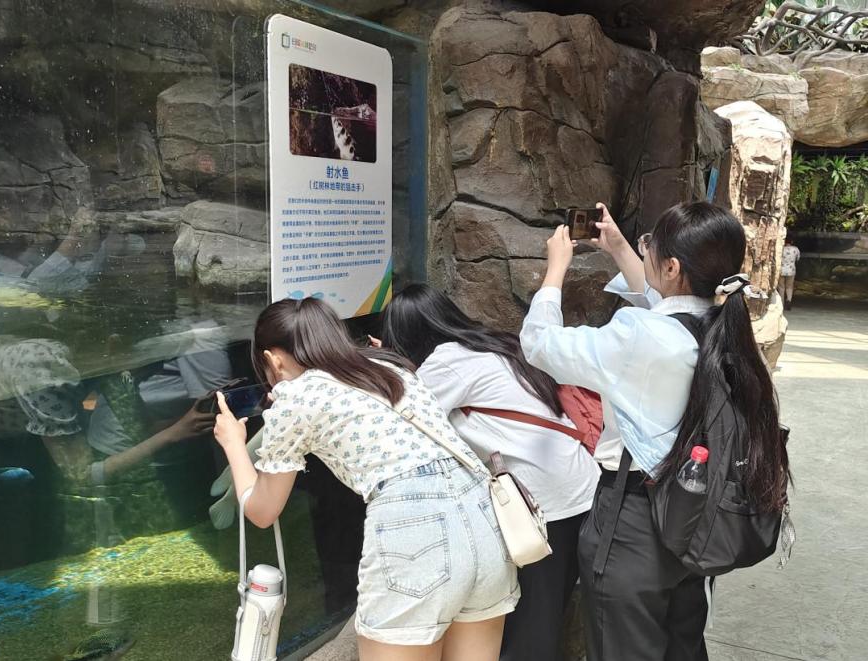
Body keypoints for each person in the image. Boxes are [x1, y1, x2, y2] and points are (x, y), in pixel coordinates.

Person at [520, 202, 789, 661]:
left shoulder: (640, 336)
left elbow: (538, 344)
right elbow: (666, 308)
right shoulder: (725, 328)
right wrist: (621, 248)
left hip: (635, 523)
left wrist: (555, 271)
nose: (643, 250)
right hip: (693, 521)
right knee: (682, 646)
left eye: (650, 246)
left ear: (672, 266)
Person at [213, 298, 518, 661]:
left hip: (414, 529)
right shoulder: (389, 368)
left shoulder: (295, 396)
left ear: (273, 360)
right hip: (485, 518)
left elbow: (263, 511)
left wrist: (233, 443)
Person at [379, 284, 599, 661]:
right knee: (546, 613)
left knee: (531, 626)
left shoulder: (446, 363)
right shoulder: (493, 344)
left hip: (547, 506)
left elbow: (398, 420)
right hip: (578, 490)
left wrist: (384, 365)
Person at [779, 236, 800, 309]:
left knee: (781, 287)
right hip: (791, 270)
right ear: (792, 241)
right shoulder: (795, 249)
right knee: (789, 286)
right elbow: (797, 259)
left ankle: (781, 303)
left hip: (781, 270)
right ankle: (789, 300)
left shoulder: (781, 249)